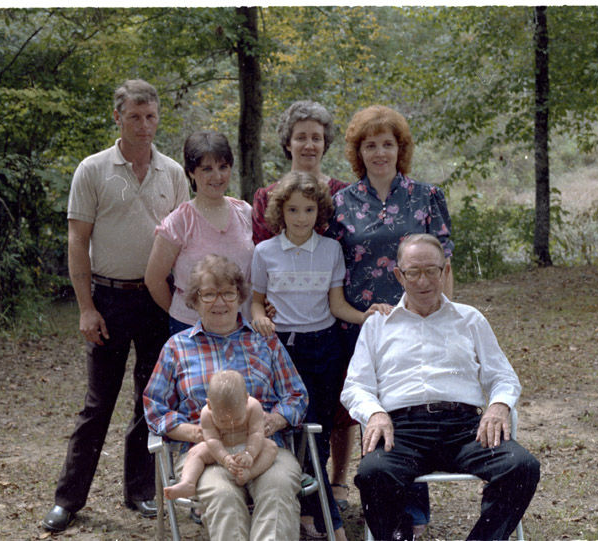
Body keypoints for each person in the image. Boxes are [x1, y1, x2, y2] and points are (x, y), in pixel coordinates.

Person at [42, 79, 190, 532]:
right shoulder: (93, 169)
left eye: (150, 117)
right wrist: (86, 307)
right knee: (97, 404)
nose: (144, 126)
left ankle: (140, 490)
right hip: (107, 297)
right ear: (118, 118)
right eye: (134, 117)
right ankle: (69, 499)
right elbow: (77, 239)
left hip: (155, 298)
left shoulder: (173, 173)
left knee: (149, 400)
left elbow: (184, 236)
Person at [341, 234, 540, 541]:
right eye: (413, 272)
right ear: (399, 275)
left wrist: (499, 405)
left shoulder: (469, 319)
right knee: (373, 474)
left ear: (446, 271)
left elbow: (503, 376)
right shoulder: (377, 326)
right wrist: (376, 413)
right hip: (402, 431)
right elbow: (355, 386)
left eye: (431, 271)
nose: (423, 281)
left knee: (521, 466)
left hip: (464, 429)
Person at [324, 104, 455, 533]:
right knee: (372, 413)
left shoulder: (426, 197)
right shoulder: (341, 202)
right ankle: (380, 506)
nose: (379, 152)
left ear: (401, 149)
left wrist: (444, 320)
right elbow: (331, 269)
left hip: (417, 322)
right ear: (357, 152)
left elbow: (443, 266)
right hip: (360, 325)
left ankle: (414, 510)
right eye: (370, 145)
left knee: (413, 407)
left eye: (387, 144)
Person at [250, 172, 391, 540]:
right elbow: (254, 304)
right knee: (302, 429)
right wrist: (261, 318)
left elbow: (337, 304)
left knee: (321, 432)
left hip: (325, 347)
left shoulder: (330, 250)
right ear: (281, 212)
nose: (301, 217)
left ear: (320, 211)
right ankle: (333, 524)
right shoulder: (265, 253)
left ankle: (311, 509)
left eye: (309, 209)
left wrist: (365, 317)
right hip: (283, 350)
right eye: (293, 209)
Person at [144, 254, 308, 541]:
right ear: (194, 300)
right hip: (206, 455)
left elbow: (296, 394)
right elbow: (155, 407)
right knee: (223, 496)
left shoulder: (264, 341)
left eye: (228, 293)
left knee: (279, 487)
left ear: (240, 297)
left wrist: (276, 419)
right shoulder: (177, 348)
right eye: (209, 294)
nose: (220, 302)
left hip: (266, 447)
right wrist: (196, 433)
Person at [145, 131, 254, 336]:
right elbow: (154, 279)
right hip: (191, 327)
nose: (217, 176)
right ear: (191, 173)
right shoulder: (180, 221)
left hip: (240, 325)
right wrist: (183, 312)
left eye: (223, 167)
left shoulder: (246, 213)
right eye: (207, 169)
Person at [162, 370, 278, 499]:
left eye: (238, 419)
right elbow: (212, 439)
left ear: (246, 400)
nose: (230, 423)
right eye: (222, 420)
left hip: (249, 445)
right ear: (210, 405)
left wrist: (249, 453)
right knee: (195, 453)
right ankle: (188, 483)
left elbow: (256, 433)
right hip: (219, 448)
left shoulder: (253, 406)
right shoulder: (206, 413)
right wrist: (224, 458)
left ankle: (250, 473)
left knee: (271, 447)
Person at [251, 100, 348, 244]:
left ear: (324, 143)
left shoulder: (343, 195)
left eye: (316, 138)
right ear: (288, 143)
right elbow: (262, 256)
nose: (309, 145)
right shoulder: (267, 198)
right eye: (301, 138)